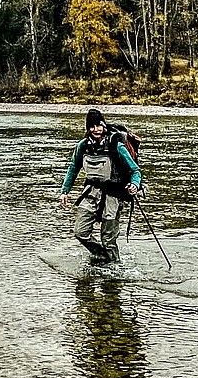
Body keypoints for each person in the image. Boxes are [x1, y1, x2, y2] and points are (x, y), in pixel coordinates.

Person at [58, 109, 142, 266]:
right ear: (88, 128)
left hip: (113, 194)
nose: (96, 129)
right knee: (80, 232)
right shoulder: (83, 146)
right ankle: (102, 257)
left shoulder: (116, 145)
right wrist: (65, 191)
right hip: (91, 193)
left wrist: (135, 185)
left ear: (104, 125)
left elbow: (135, 170)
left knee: (108, 239)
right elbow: (73, 168)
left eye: (99, 125)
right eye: (92, 126)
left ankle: (115, 267)